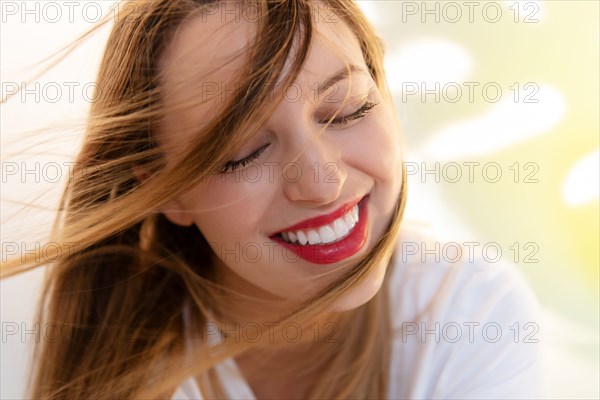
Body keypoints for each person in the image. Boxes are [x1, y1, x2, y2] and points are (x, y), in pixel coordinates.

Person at [1, 0, 542, 399]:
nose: (322, 182)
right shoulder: (131, 378)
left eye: (348, 108)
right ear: (162, 189)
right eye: (243, 151)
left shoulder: (470, 311)